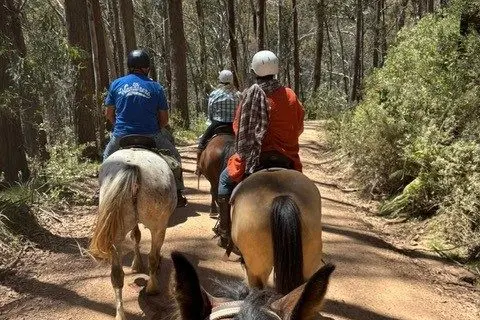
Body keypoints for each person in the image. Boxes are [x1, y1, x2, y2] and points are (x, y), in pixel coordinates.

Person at [214, 50, 305, 250]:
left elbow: (238, 128)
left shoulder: (250, 95)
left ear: (254, 71)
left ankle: (225, 231)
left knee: (224, 180)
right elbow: (299, 127)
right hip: (286, 160)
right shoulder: (290, 94)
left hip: (256, 161)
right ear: (276, 70)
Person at [103, 49, 187, 207]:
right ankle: (178, 191)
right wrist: (156, 129)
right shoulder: (156, 87)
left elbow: (109, 114)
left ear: (130, 66)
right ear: (146, 67)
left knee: (106, 157)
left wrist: (119, 127)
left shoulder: (116, 84)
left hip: (121, 135)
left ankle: (103, 189)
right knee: (174, 156)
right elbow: (164, 119)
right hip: (151, 135)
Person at [195, 70, 240, 174]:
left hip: (217, 124)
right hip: (234, 126)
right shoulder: (238, 95)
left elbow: (210, 113)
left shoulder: (214, 94)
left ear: (220, 80)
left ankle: (198, 167)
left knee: (202, 142)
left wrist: (211, 121)